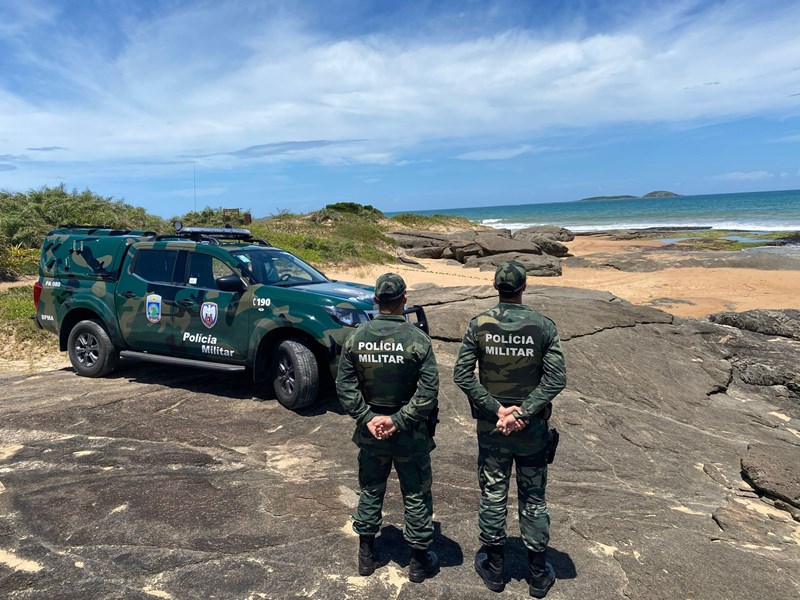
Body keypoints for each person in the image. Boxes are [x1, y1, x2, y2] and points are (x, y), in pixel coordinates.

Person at [453, 260, 566, 598]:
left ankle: (496, 568)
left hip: (492, 430)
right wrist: (524, 412)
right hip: (530, 431)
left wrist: (498, 410)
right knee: (533, 497)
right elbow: (556, 378)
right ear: (524, 287)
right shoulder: (542, 325)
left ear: (496, 287)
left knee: (492, 494)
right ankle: (536, 573)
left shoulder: (480, 324)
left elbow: (462, 375)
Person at [337, 273, 440, 583]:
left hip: (371, 432)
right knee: (416, 493)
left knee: (370, 489)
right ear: (404, 299)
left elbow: (344, 385)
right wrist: (399, 420)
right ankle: (419, 563)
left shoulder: (356, 338)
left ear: (375, 300)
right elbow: (429, 391)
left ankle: (366, 555)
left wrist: (367, 417)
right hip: (409, 434)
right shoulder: (417, 339)